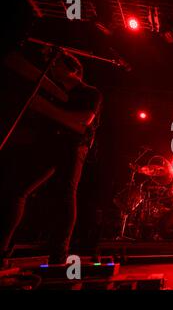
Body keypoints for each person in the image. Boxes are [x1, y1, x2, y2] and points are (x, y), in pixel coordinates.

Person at [0, 50, 102, 265]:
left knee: (66, 193)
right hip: (49, 145)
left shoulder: (90, 93)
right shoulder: (51, 91)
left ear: (73, 70)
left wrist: (42, 106)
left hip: (73, 146)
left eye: (57, 65)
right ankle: (3, 247)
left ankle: (59, 254)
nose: (52, 69)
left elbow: (81, 122)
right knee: (18, 190)